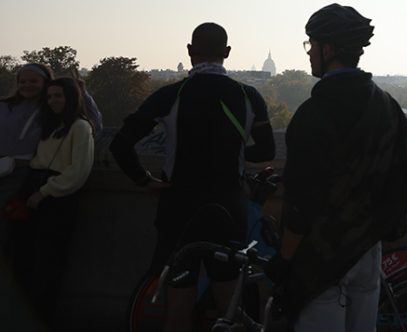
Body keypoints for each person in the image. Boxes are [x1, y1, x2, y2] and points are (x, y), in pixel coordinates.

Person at [110, 22, 275, 332]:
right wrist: (235, 154)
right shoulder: (248, 95)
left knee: (178, 304)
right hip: (228, 205)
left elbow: (120, 145)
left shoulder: (171, 95)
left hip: (180, 207)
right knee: (230, 303)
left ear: (189, 51)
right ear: (227, 53)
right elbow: (266, 150)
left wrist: (145, 180)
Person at [272, 4, 407, 331]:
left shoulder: (312, 115)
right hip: (367, 253)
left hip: (321, 259)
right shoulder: (387, 106)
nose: (309, 53)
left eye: (311, 45)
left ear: (328, 49)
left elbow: (300, 203)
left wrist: (284, 260)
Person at [9, 76, 96, 322]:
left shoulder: (80, 126)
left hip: (54, 196)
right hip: (36, 187)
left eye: (59, 96)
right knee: (25, 257)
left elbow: (77, 171)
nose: (53, 101)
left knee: (48, 261)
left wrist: (44, 192)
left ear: (71, 98)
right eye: (49, 97)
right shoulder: (51, 124)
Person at [1, 63, 54, 247]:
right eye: (22, 81)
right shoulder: (5, 106)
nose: (27, 85)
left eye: (33, 81)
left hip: (21, 173)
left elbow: (92, 123)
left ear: (45, 82)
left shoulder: (50, 109)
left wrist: (82, 94)